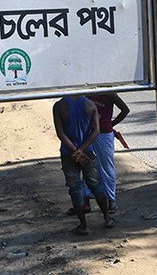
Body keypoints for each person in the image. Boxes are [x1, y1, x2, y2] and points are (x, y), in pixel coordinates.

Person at [53, 95, 114, 235]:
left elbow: (60, 133)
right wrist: (81, 150)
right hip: (87, 152)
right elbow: (96, 130)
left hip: (68, 153)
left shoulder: (59, 106)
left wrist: (75, 151)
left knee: (75, 188)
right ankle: (107, 218)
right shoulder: (90, 105)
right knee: (96, 184)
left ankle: (83, 225)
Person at [83, 93, 130, 214]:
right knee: (86, 165)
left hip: (104, 133)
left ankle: (111, 199)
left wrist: (110, 124)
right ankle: (86, 200)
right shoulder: (86, 91)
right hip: (87, 132)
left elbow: (125, 110)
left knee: (106, 166)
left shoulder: (109, 92)